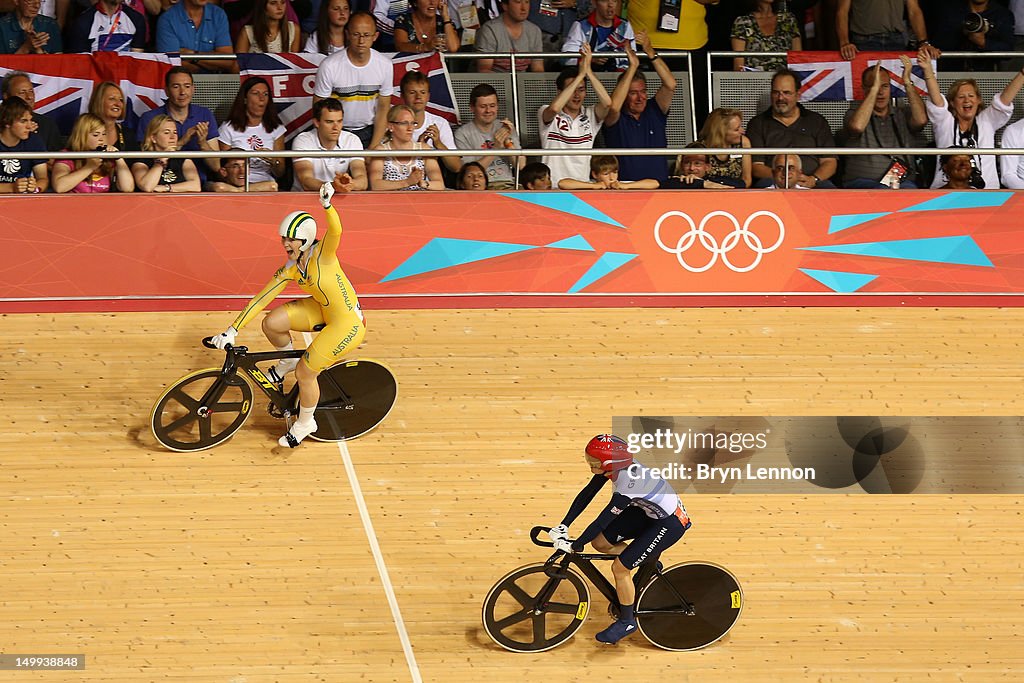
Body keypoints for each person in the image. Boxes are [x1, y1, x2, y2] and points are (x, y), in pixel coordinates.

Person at [210, 182, 367, 448]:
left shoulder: (323, 256)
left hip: (347, 323)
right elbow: (262, 297)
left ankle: (307, 422)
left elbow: (337, 231)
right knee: (271, 322)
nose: (284, 244)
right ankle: (285, 364)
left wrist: (327, 206)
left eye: (290, 239)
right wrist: (232, 330)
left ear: (305, 239)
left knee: (306, 373)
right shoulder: (292, 267)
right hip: (323, 309)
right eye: (283, 238)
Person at [547, 434, 691, 644]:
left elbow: (601, 521)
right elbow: (587, 494)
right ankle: (646, 560)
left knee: (620, 568)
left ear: (608, 464)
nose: (590, 465)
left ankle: (627, 621)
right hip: (647, 512)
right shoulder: (616, 466)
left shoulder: (628, 486)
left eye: (594, 462)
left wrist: (575, 545)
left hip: (669, 524)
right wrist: (564, 525)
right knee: (600, 543)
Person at [920, 49, 1024, 189]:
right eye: (961, 97)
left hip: (987, 193)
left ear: (978, 100)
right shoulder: (945, 122)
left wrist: (1023, 74)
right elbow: (937, 101)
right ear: (952, 103)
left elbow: (1004, 101)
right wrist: (927, 71)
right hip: (946, 191)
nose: (966, 100)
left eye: (971, 96)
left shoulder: (986, 121)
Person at [840, 58, 927, 189]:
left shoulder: (902, 113)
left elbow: (921, 120)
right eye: (874, 86)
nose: (880, 92)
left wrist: (908, 83)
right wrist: (873, 90)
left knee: (911, 193)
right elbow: (857, 126)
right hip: (861, 183)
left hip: (902, 183)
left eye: (885, 86)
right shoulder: (853, 114)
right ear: (864, 89)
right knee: (883, 192)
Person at [313, 11, 394, 149]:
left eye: (366, 35)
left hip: (370, 131)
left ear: (375, 36)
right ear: (347, 34)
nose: (361, 41)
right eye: (356, 34)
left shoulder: (385, 65)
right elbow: (319, 109)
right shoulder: (329, 65)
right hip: (336, 131)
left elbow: (383, 109)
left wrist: (373, 148)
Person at [603, 35, 674, 186]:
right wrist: (632, 66)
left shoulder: (654, 109)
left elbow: (670, 84)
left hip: (659, 187)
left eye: (643, 91)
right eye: (633, 93)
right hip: (624, 188)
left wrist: (651, 54)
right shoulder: (616, 117)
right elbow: (614, 106)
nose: (640, 98)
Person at [538, 46, 615, 186]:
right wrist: (580, 75)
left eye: (581, 90)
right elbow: (555, 108)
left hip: (583, 186)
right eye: (572, 90)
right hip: (552, 187)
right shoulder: (545, 111)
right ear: (560, 92)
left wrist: (588, 72)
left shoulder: (591, 114)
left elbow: (608, 103)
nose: (577, 95)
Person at [747, 68, 837, 188]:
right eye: (776, 92)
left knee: (829, 190)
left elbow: (829, 162)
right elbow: (756, 166)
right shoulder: (757, 124)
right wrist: (784, 178)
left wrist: (814, 178)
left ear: (798, 95)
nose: (780, 98)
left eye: (786, 93)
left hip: (810, 182)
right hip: (773, 182)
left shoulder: (816, 121)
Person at [137, 67, 222, 183]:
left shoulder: (204, 114)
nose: (182, 92)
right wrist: (182, 141)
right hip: (160, 183)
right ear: (166, 90)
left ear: (193, 89)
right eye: (176, 87)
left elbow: (216, 166)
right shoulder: (150, 118)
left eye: (187, 86)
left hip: (199, 184)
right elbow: (144, 162)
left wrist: (202, 143)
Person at [218, 77, 287, 186]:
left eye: (265, 94)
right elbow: (223, 170)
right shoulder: (228, 128)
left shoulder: (276, 128)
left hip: (267, 184)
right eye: (256, 93)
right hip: (237, 184)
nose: (261, 98)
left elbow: (280, 172)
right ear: (245, 99)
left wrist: (273, 160)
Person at [454, 83, 523, 190]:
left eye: (492, 106)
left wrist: (508, 142)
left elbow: (521, 165)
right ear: (472, 108)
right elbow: (470, 171)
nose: (488, 111)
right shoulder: (462, 133)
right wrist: (496, 148)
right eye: (483, 106)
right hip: (481, 187)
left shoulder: (504, 127)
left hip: (509, 185)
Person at [292, 98, 368, 192]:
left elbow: (363, 181)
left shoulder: (352, 139)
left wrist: (349, 184)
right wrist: (333, 186)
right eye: (329, 122)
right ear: (316, 122)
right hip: (306, 198)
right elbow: (306, 181)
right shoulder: (303, 140)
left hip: (341, 198)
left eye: (339, 121)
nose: (336, 127)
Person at [368, 104, 446, 190]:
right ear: (391, 126)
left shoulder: (424, 149)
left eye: (413, 123)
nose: (410, 128)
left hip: (419, 200)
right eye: (404, 123)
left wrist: (424, 183)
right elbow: (375, 185)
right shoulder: (380, 151)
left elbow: (440, 184)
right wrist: (407, 182)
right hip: (390, 201)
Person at [52, 113, 134, 193]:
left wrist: (118, 158)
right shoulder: (67, 155)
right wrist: (89, 167)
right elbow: (60, 187)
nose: (101, 139)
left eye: (104, 134)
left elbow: (128, 188)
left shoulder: (108, 157)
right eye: (96, 135)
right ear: (82, 136)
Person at [400, 70, 462, 174]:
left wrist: (438, 143)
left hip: (432, 184)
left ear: (428, 96)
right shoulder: (392, 123)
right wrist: (420, 147)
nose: (418, 97)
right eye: (412, 92)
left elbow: (456, 167)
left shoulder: (440, 123)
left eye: (423, 92)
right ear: (402, 96)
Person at [836, 0, 939, 60]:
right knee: (866, 88)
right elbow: (842, 12)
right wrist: (844, 42)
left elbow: (914, 11)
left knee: (898, 89)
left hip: (897, 40)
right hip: (864, 41)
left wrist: (923, 43)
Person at [156, 0, 234, 73]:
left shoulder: (218, 15)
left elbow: (227, 61)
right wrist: (211, 61)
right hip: (181, 83)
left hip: (216, 83)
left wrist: (192, 55)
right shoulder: (167, 19)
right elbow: (172, 64)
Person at [132, 115, 203, 193]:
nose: (172, 137)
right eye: (166, 132)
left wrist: (166, 188)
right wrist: (162, 160)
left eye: (175, 132)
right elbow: (147, 187)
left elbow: (196, 186)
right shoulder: (142, 159)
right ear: (153, 138)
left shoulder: (182, 158)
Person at [560, 0, 632, 72]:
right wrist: (591, 59)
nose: (611, 5)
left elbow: (632, 57)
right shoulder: (581, 25)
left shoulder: (625, 26)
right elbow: (566, 59)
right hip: (586, 76)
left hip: (619, 77)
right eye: (605, 1)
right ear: (594, 3)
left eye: (614, 1)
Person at [731, 0, 801, 72]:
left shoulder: (788, 20)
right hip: (754, 80)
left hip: (785, 80)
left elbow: (798, 58)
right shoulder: (743, 22)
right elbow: (739, 65)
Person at [475, 0, 544, 72]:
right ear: (505, 6)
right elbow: (484, 70)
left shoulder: (534, 31)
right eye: (518, 2)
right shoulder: (490, 30)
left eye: (527, 2)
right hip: (496, 82)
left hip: (522, 81)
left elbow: (538, 68)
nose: (524, 8)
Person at [1, 72, 61, 152]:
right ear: (6, 96)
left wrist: (33, 138)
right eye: (22, 92)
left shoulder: (47, 124)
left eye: (31, 91)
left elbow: (56, 159)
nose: (30, 97)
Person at [0, 96, 49, 194]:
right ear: (7, 122)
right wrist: (11, 187)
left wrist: (35, 188)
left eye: (30, 120)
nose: (29, 126)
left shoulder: (34, 140)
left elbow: (43, 178)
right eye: (23, 121)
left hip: (22, 201)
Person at [697, 107, 751, 188]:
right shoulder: (699, 148)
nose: (742, 131)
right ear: (721, 132)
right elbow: (697, 180)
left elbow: (747, 180)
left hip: (737, 192)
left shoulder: (744, 143)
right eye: (737, 129)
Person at [65, 0, 146, 53]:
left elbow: (137, 60)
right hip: (95, 76)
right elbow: (81, 63)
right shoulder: (83, 22)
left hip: (125, 75)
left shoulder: (136, 19)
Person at [558, 154, 659, 189]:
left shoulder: (622, 185)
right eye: (606, 174)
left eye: (614, 172)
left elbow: (654, 183)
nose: (612, 178)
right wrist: (594, 186)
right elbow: (563, 183)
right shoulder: (591, 184)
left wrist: (626, 186)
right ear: (594, 174)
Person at [393, 0, 460, 54]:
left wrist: (446, 18)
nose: (432, 2)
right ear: (415, 2)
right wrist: (426, 47)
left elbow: (453, 48)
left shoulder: (445, 22)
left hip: (438, 69)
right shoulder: (403, 20)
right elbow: (400, 46)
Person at [235, 0, 301, 53]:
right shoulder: (247, 31)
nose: (280, 7)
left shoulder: (294, 29)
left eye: (283, 2)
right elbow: (240, 64)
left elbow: (294, 65)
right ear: (262, 6)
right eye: (273, 3)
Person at [88, 81, 136, 152]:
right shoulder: (84, 130)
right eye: (112, 99)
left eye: (121, 100)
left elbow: (139, 161)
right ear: (98, 101)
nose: (118, 104)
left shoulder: (128, 135)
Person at [667, 143, 735, 189]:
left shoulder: (715, 181)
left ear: (707, 167)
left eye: (697, 163)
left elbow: (740, 184)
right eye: (687, 163)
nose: (691, 168)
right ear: (681, 165)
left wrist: (701, 182)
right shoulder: (676, 182)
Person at [206, 152, 280, 192]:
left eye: (244, 166)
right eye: (236, 166)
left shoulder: (253, 186)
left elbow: (272, 186)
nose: (242, 171)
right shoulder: (211, 184)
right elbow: (219, 187)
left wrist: (238, 190)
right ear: (223, 172)